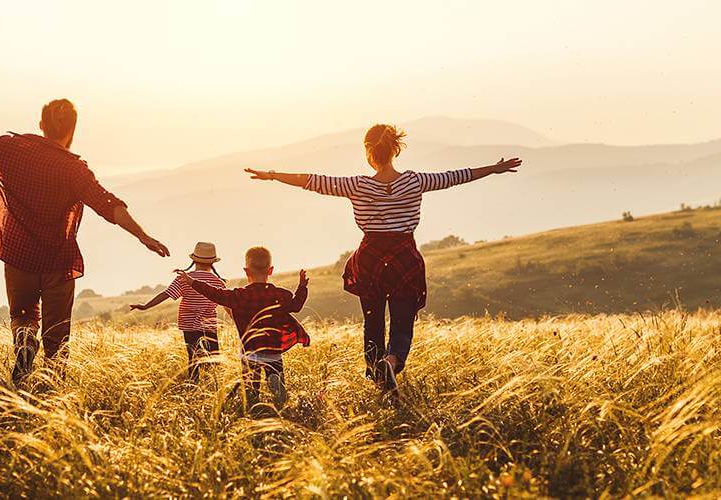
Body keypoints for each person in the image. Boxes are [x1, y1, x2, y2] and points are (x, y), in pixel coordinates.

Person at [244, 123, 522, 392]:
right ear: (395, 150)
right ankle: (392, 361)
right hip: (404, 258)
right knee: (403, 321)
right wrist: (494, 169)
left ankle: (378, 371)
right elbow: (456, 176)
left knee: (373, 321)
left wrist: (272, 175)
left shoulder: (357, 185)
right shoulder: (415, 181)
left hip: (370, 261)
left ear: (368, 152)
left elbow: (313, 181)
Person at [0, 99, 170, 383]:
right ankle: (52, 390)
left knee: (23, 317)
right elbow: (108, 204)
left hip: (19, 255)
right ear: (72, 131)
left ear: (42, 126)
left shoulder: (10, 150)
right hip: (58, 260)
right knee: (57, 332)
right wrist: (142, 235)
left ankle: (24, 351)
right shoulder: (75, 170)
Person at [177, 247, 309, 409]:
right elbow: (296, 306)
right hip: (273, 351)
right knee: (275, 373)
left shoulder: (238, 296)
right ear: (271, 270)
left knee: (251, 387)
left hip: (250, 352)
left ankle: (253, 405)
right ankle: (275, 382)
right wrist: (302, 287)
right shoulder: (280, 295)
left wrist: (192, 282)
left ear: (246, 271)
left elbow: (214, 294)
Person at [130, 242, 227, 383]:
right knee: (213, 358)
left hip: (189, 326)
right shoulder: (218, 282)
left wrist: (145, 306)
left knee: (193, 358)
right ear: (213, 262)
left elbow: (166, 294)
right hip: (210, 326)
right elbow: (228, 304)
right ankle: (212, 387)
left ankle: (194, 385)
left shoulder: (184, 278)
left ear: (194, 260)